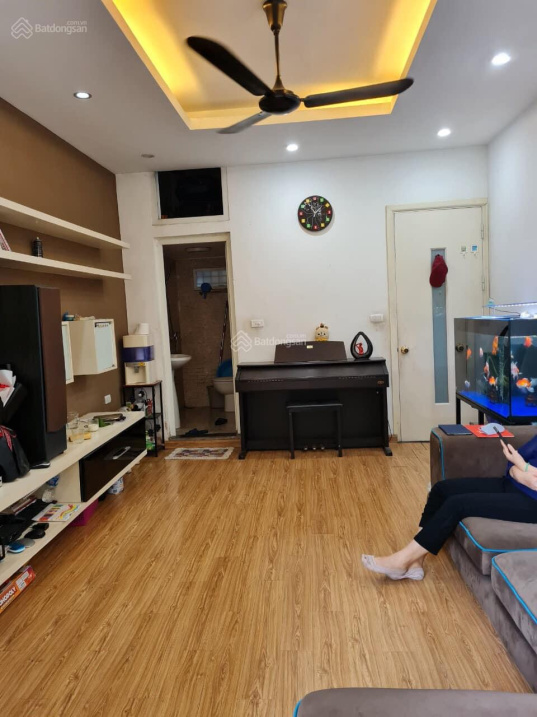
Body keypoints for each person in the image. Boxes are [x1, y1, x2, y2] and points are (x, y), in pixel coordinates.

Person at [362, 435, 537, 581]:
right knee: (441, 489)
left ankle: (402, 560)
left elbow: (523, 468)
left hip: (531, 502)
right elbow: (513, 461)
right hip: (513, 484)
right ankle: (416, 561)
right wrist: (521, 473)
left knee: (457, 504)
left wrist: (522, 468)